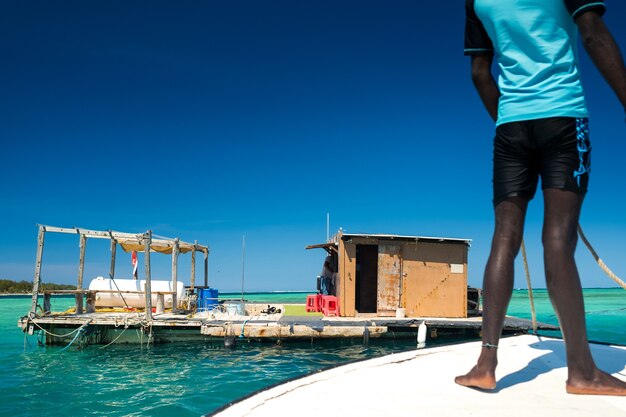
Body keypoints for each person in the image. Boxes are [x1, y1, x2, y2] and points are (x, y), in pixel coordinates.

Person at [456, 0, 626, 395]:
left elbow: (480, 73)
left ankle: (485, 365)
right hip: (563, 116)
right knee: (558, 240)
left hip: (511, 125)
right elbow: (593, 33)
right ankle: (582, 372)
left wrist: (510, 121)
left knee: (504, 237)